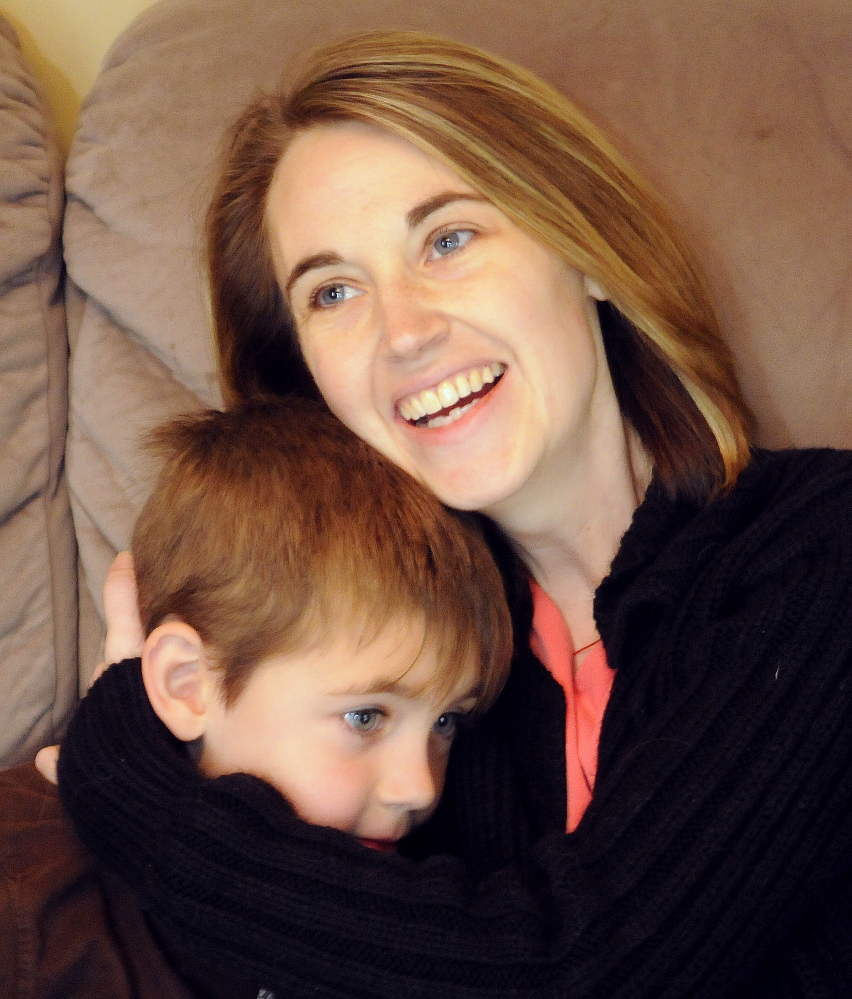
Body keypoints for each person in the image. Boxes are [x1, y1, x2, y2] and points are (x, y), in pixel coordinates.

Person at [42, 29, 852, 998]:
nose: (406, 333)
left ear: (586, 250)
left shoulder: (819, 550)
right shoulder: (422, 670)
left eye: (449, 239)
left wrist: (123, 771)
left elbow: (576, 971)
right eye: (334, 291)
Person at [54, 396, 512, 995]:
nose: (419, 788)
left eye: (446, 721)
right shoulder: (40, 912)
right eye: (366, 716)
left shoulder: (421, 905)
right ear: (187, 685)